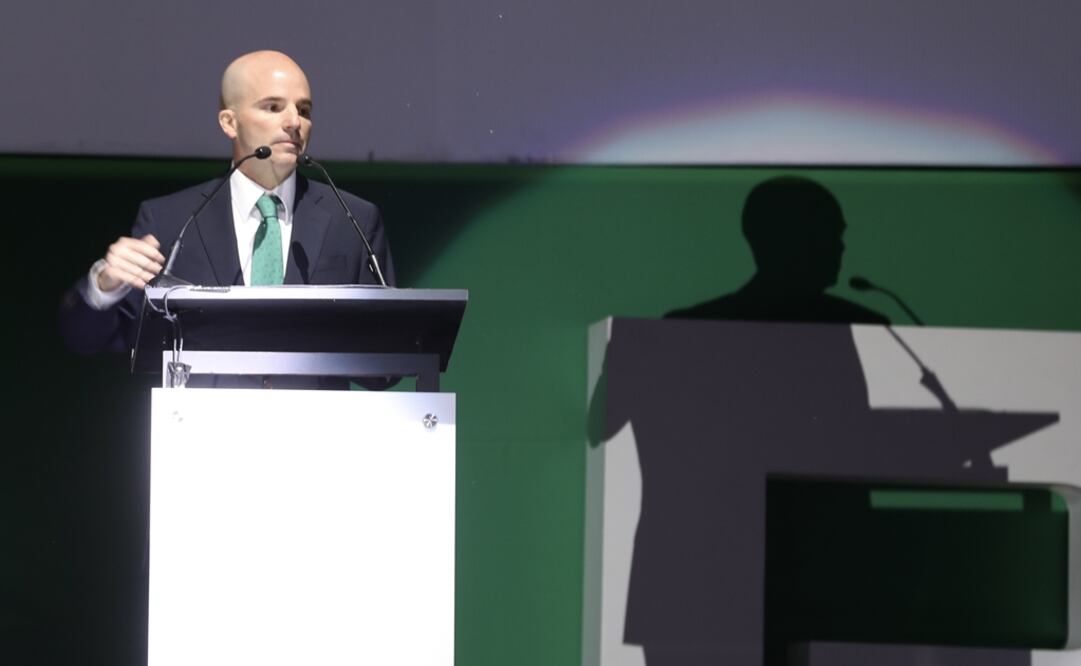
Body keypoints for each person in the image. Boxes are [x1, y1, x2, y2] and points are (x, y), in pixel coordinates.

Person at [59, 50, 394, 357]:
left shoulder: (352, 220)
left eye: (303, 110)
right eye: (273, 107)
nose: (294, 122)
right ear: (229, 123)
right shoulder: (171, 221)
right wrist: (102, 286)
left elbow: (389, 359)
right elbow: (87, 340)